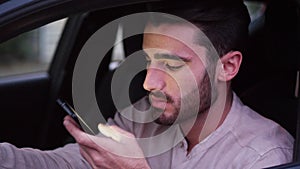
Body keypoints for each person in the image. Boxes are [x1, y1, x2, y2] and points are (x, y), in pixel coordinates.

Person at [0, 0, 294, 169]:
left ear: (227, 67)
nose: (149, 82)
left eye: (172, 64)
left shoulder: (263, 156)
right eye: (148, 60)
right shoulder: (145, 117)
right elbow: (67, 164)